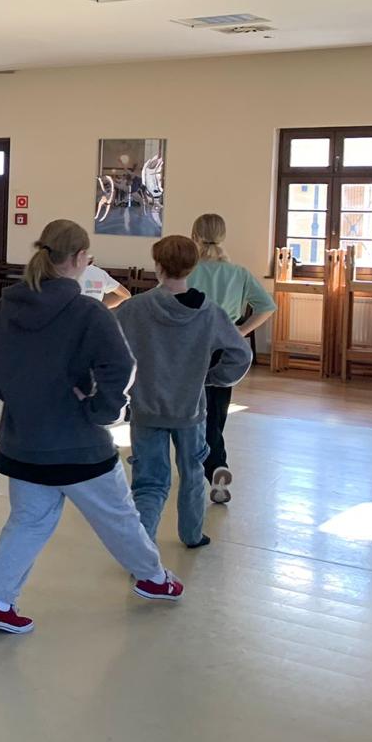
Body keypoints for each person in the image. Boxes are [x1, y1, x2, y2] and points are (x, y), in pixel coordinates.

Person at [0, 219, 185, 636]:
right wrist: (104, 411)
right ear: (80, 258)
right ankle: (153, 579)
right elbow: (121, 366)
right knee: (119, 517)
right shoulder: (87, 312)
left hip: (24, 445)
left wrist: (1, 389)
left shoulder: (5, 308)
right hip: (80, 448)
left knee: (27, 522)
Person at [115, 235, 251, 549]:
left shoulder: (133, 309)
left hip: (146, 409)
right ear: (192, 267)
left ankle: (142, 551)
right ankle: (192, 534)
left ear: (158, 266)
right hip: (190, 409)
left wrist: (125, 383)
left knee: (149, 483)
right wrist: (213, 378)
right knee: (192, 473)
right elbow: (241, 355)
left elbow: (107, 347)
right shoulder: (210, 312)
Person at [188, 213, 275, 506]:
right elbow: (266, 306)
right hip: (225, 349)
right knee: (216, 408)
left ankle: (209, 464)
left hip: (191, 347)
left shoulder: (188, 271)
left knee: (192, 409)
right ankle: (214, 463)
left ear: (194, 236)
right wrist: (240, 331)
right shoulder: (238, 273)